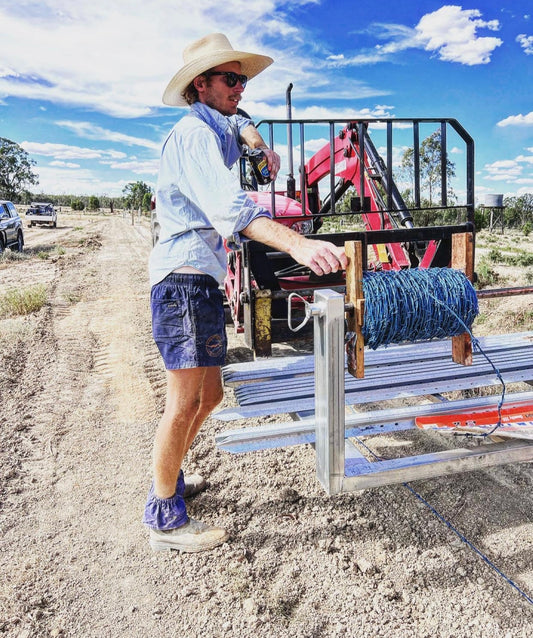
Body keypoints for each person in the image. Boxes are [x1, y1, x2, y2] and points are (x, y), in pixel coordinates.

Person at [143, 33, 347, 553]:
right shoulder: (192, 136)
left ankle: (172, 479)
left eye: (243, 79)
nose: (241, 87)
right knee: (185, 400)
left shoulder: (219, 128)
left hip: (200, 278)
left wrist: (258, 143)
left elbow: (241, 125)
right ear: (200, 85)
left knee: (209, 397)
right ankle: (163, 516)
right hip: (184, 280)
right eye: (231, 79)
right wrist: (299, 244)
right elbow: (231, 210)